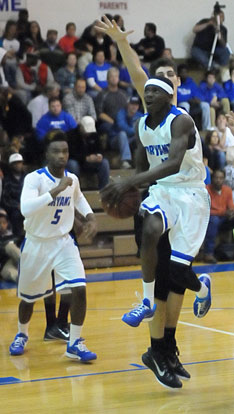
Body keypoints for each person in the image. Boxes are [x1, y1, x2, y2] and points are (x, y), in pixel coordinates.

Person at [95, 16, 212, 390]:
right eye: (150, 79)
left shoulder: (180, 119)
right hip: (160, 193)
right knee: (158, 272)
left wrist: (129, 182)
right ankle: (155, 342)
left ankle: (167, 347)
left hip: (190, 195)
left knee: (175, 280)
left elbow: (171, 162)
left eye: (163, 78)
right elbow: (135, 74)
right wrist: (121, 43)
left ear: (173, 87)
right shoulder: (146, 118)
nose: (148, 86)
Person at [9, 130, 97, 361]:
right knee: (28, 299)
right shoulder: (34, 179)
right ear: (47, 154)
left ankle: (75, 342)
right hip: (36, 243)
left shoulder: (73, 179)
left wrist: (90, 216)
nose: (61, 155)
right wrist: (56, 190)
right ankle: (22, 334)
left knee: (79, 289)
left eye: (65, 151)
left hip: (63, 242)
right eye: (56, 151)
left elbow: (78, 198)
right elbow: (26, 209)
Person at [203, 169, 234, 263]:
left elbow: (231, 207)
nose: (218, 180)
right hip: (210, 219)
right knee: (214, 220)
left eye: (221, 178)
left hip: (224, 219)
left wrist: (231, 212)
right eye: (216, 177)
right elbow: (206, 210)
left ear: (224, 179)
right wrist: (223, 212)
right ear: (212, 178)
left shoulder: (227, 190)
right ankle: (208, 254)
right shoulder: (206, 190)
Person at [110, 96, 143, 169]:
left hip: (131, 140)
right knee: (123, 134)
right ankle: (125, 160)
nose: (134, 106)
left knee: (143, 136)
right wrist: (136, 131)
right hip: (116, 140)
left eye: (136, 105)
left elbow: (144, 128)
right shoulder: (121, 113)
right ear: (128, 104)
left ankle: (143, 161)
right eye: (132, 104)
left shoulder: (140, 115)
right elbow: (122, 127)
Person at [177, 63, 211, 131]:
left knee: (205, 105)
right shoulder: (176, 82)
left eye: (185, 72)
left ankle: (207, 128)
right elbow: (176, 97)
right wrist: (189, 99)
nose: (184, 74)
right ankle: (186, 129)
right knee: (185, 104)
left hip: (192, 103)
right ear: (178, 73)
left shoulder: (191, 82)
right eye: (182, 72)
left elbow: (197, 93)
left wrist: (198, 99)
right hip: (181, 104)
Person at [1, 153, 25, 240]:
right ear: (11, 165)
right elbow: (6, 199)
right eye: (15, 163)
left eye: (19, 162)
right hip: (14, 208)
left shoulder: (27, 177)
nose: (18, 165)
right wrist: (17, 205)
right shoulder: (7, 180)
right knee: (16, 215)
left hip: (27, 204)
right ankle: (18, 237)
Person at [0, 208, 20, 282]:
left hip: (17, 260)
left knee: (10, 246)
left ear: (7, 223)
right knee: (14, 274)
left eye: (4, 223)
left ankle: (30, 264)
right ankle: (25, 280)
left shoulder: (13, 236)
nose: (1, 225)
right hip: (4, 264)